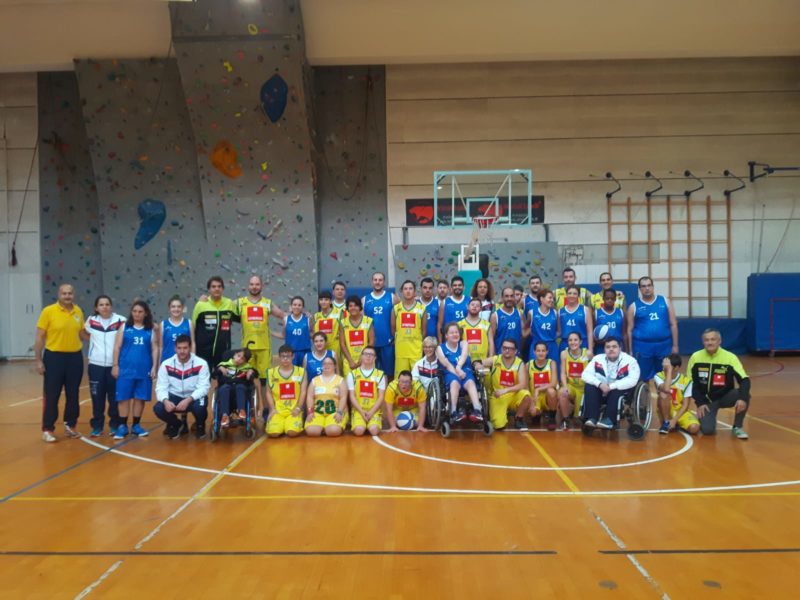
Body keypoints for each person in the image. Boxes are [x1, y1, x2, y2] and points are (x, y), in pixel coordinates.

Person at [34, 283, 85, 442]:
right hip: (54, 358)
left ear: (73, 295)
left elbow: (82, 333)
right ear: (59, 294)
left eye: (70, 293)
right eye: (64, 293)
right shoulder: (48, 311)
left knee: (73, 394)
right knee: (52, 394)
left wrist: (105, 336)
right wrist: (38, 360)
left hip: (75, 358)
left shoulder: (78, 311)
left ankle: (70, 426)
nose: (67, 296)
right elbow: (39, 337)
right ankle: (48, 429)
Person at [687, 329, 751, 439]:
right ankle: (706, 419)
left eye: (713, 339)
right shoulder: (695, 357)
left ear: (719, 341)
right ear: (703, 342)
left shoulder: (730, 357)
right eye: (706, 340)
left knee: (744, 394)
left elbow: (744, 380)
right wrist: (700, 402)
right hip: (707, 401)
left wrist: (743, 399)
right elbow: (691, 383)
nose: (710, 342)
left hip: (726, 396)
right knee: (707, 430)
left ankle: (737, 426)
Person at [112, 300, 159, 439]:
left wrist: (154, 366)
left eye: (140, 312)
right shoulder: (124, 327)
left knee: (140, 398)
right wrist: (115, 365)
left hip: (143, 370)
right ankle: (122, 426)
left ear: (145, 314)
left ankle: (136, 425)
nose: (137, 314)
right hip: (125, 370)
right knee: (124, 398)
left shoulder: (150, 330)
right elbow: (117, 347)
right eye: (134, 311)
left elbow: (155, 349)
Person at [82, 295, 125, 437]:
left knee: (114, 398)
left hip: (114, 365)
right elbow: (83, 333)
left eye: (107, 304)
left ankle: (114, 425)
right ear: (96, 308)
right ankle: (97, 426)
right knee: (97, 397)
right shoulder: (91, 320)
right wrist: (94, 342)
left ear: (111, 306)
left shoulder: (121, 320)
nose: (104, 307)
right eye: (101, 305)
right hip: (96, 365)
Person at [154, 334, 211, 439]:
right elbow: (161, 387)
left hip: (193, 397)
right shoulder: (166, 364)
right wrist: (165, 401)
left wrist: (189, 399)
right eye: (179, 348)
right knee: (158, 408)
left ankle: (200, 425)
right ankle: (177, 424)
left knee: (200, 407)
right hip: (175, 396)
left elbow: (204, 387)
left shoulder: (201, 364)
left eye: (185, 348)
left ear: (190, 348)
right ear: (175, 348)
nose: (182, 351)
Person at [235, 275, 285, 387]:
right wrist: (206, 300)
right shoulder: (239, 302)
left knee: (264, 380)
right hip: (247, 348)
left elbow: (283, 315)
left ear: (262, 286)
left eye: (257, 284)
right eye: (252, 284)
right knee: (246, 379)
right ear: (248, 286)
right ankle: (250, 399)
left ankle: (265, 399)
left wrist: (301, 315)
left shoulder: (267, 303)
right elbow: (223, 307)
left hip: (264, 347)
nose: (254, 287)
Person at [581, 337, 640, 430]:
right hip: (601, 389)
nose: (611, 349)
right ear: (604, 349)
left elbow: (633, 380)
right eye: (608, 347)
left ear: (620, 348)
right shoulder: (597, 359)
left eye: (614, 346)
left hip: (618, 390)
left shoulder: (630, 361)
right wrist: (599, 384)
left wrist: (611, 386)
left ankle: (609, 419)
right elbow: (585, 374)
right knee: (589, 386)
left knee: (617, 390)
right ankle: (591, 418)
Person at [626, 276, 678, 382]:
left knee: (665, 375)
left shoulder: (665, 301)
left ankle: (663, 393)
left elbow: (673, 324)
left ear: (653, 287)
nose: (647, 288)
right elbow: (629, 330)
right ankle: (644, 393)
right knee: (643, 377)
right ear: (640, 289)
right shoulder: (633, 307)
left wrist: (675, 346)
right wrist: (630, 351)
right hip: (642, 347)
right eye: (643, 286)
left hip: (664, 346)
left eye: (649, 285)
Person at [436, 322, 484, 423]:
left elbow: (464, 356)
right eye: (451, 332)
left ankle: (477, 410)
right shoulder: (440, 348)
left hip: (465, 371)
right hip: (450, 373)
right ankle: (453, 412)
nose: (455, 334)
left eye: (456, 332)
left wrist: (458, 367)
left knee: (470, 382)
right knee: (454, 383)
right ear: (446, 335)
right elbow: (447, 364)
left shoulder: (463, 344)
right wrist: (457, 372)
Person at [192, 276, 236, 370]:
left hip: (223, 350)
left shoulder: (229, 304)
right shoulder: (201, 305)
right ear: (209, 289)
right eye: (213, 286)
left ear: (223, 289)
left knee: (222, 377)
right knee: (203, 377)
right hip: (203, 351)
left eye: (219, 286)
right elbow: (193, 327)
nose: (217, 289)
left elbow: (241, 316)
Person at [488, 339, 532, 430]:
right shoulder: (495, 359)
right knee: (499, 425)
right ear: (501, 349)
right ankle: (502, 413)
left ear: (515, 351)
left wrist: (505, 390)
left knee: (526, 395)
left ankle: (519, 418)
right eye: (505, 348)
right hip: (498, 396)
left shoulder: (519, 363)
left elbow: (522, 384)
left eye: (510, 348)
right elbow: (480, 362)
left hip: (513, 394)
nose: (507, 350)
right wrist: (477, 364)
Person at [265, 345, 307, 438]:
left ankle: (287, 424)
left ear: (293, 356)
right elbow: (268, 392)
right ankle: (281, 424)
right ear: (279, 357)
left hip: (294, 410)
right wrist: (272, 409)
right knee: (274, 433)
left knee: (292, 432)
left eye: (288, 356)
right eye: (283, 356)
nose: (285, 359)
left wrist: (298, 408)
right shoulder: (271, 372)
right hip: (278, 411)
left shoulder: (301, 371)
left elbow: (303, 391)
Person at [363, 271, 398, 378]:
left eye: (380, 280)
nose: (377, 282)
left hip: (388, 342)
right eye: (375, 280)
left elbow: (400, 317)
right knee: (370, 372)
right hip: (371, 343)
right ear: (372, 282)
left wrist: (395, 336)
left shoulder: (392, 297)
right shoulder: (364, 300)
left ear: (384, 282)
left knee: (389, 373)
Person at [655, 354, 700, 435]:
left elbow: (685, 405)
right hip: (665, 411)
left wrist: (675, 420)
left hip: (679, 411)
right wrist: (669, 371)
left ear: (676, 368)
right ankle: (666, 422)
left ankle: (676, 424)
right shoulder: (659, 376)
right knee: (664, 394)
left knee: (694, 428)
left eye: (668, 366)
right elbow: (666, 389)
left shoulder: (686, 381)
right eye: (664, 366)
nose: (664, 368)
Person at [347, 346, 387, 437]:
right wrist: (361, 412)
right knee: (359, 431)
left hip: (374, 410)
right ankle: (360, 422)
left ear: (375, 358)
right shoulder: (352, 374)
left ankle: (372, 422)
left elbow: (381, 396)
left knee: (374, 430)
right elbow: (352, 396)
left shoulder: (380, 374)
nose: (368, 356)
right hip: (358, 409)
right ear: (361, 356)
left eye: (371, 354)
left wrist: (372, 412)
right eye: (366, 354)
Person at [305, 355, 348, 437]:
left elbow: (343, 397)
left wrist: (339, 412)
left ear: (335, 366)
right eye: (324, 363)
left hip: (334, 412)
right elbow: (309, 397)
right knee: (311, 432)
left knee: (333, 431)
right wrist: (310, 412)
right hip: (318, 412)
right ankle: (323, 427)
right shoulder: (315, 380)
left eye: (329, 364)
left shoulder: (340, 380)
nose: (326, 365)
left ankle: (327, 427)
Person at [215, 348, 258, 429]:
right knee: (224, 388)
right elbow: (214, 374)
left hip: (241, 391)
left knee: (240, 387)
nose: (239, 359)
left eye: (242, 359)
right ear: (234, 355)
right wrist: (220, 368)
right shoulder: (224, 365)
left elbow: (256, 373)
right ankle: (225, 415)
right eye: (238, 356)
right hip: (227, 388)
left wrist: (251, 372)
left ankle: (241, 410)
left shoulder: (247, 367)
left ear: (245, 361)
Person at [391, 280, 427, 374]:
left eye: (410, 289)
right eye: (405, 289)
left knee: (417, 377)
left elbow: (424, 331)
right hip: (401, 350)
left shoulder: (422, 308)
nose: (408, 291)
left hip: (416, 350)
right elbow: (393, 329)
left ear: (414, 292)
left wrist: (418, 343)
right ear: (402, 291)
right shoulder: (396, 309)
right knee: (401, 378)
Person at [557, 332, 589, 430]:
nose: (573, 342)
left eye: (575, 340)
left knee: (578, 419)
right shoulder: (564, 354)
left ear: (580, 342)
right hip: (571, 385)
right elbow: (563, 373)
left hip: (584, 387)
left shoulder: (588, 354)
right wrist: (565, 386)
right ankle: (565, 419)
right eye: (570, 340)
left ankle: (575, 412)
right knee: (562, 392)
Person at [340, 295, 375, 377]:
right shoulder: (343, 322)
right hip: (349, 361)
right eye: (350, 306)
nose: (353, 308)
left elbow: (371, 341)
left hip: (366, 359)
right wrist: (350, 361)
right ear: (347, 308)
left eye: (356, 305)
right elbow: (342, 344)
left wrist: (363, 359)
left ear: (360, 307)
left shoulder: (368, 321)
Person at [528, 340, 558, 429]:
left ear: (547, 352)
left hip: (547, 397)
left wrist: (538, 389)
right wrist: (531, 401)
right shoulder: (528, 365)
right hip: (535, 397)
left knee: (551, 391)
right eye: (538, 351)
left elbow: (553, 383)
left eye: (543, 351)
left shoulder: (552, 363)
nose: (541, 353)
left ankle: (552, 417)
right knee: (533, 414)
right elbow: (525, 386)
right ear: (534, 352)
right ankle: (538, 413)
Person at [459, 297, 494, 369]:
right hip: (465, 362)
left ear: (481, 309)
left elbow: (491, 343)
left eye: (477, 305)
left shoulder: (487, 325)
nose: (475, 307)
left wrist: (490, 359)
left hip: (483, 363)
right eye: (472, 305)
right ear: (467, 307)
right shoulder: (459, 324)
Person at [158, 295, 194, 364]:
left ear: (182, 308)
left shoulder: (189, 323)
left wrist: (193, 361)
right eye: (173, 307)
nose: (176, 309)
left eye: (179, 307)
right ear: (169, 309)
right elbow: (161, 347)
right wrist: (159, 364)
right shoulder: (163, 324)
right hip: (167, 362)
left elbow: (193, 344)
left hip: (185, 363)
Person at [559, 285, 594, 353]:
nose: (572, 295)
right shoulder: (560, 311)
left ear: (578, 296)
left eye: (575, 293)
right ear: (566, 295)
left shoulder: (585, 309)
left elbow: (590, 331)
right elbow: (559, 331)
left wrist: (590, 349)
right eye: (569, 293)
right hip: (565, 344)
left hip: (582, 343)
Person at [529, 289, 559, 371]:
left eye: (552, 298)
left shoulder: (555, 313)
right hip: (536, 345)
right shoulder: (532, 313)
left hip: (551, 345)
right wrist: (537, 336)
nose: (552, 300)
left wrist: (550, 337)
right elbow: (526, 329)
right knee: (534, 371)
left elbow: (559, 331)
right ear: (542, 299)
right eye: (549, 298)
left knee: (554, 370)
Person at [491, 287, 524, 357]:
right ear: (502, 298)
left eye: (511, 296)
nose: (509, 298)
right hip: (501, 356)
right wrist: (493, 356)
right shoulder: (495, 316)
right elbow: (491, 339)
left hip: (516, 356)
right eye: (506, 296)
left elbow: (523, 335)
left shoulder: (519, 314)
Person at [594, 288, 626, 354]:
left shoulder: (620, 312)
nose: (609, 300)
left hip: (617, 348)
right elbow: (592, 333)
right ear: (603, 299)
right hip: (601, 348)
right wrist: (597, 339)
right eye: (607, 298)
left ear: (615, 299)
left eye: (612, 298)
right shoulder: (596, 313)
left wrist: (626, 350)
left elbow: (624, 333)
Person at [313, 291, 340, 363]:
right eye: (321, 300)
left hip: (336, 348)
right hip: (320, 349)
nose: (323, 302)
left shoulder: (339, 313)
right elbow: (314, 333)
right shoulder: (316, 316)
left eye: (326, 300)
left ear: (331, 301)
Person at [284, 296, 311, 367]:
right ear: (291, 306)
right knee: (292, 373)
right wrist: (270, 333)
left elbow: (313, 334)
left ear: (303, 307)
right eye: (295, 305)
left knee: (305, 372)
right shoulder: (286, 319)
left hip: (305, 352)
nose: (297, 307)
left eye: (299, 305)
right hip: (291, 352)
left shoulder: (308, 319)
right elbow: (283, 335)